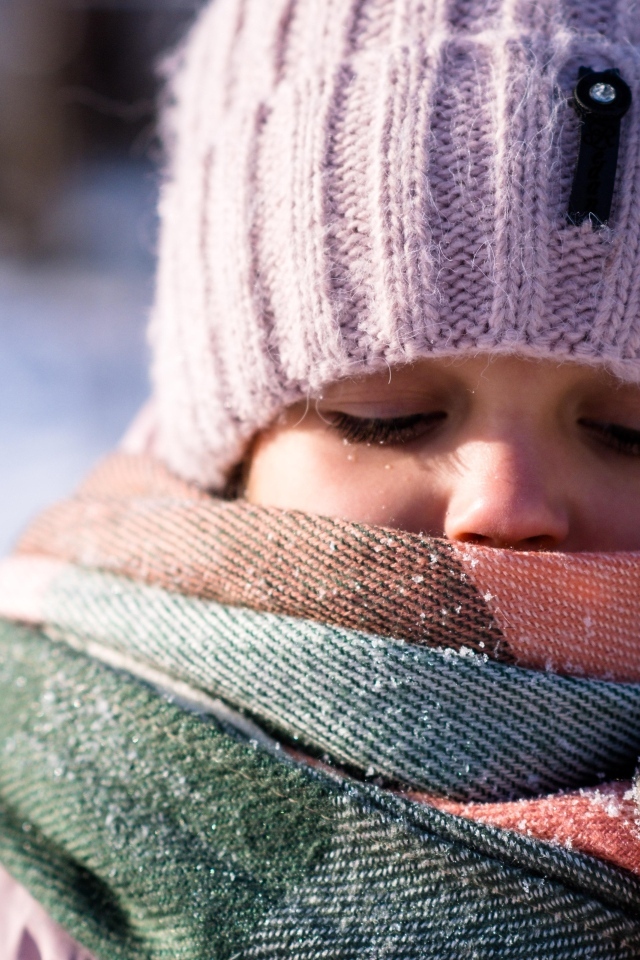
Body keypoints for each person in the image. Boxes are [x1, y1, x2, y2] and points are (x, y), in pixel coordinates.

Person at [3, 0, 640, 956]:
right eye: (388, 418)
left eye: (628, 432)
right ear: (227, 452)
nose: (506, 504)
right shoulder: (38, 833)